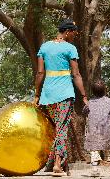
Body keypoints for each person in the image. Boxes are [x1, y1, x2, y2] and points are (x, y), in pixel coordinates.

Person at [34, 18, 88, 177]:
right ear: (67, 32)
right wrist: (84, 95)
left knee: (58, 129)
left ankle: (56, 164)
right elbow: (76, 74)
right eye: (74, 33)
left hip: (48, 95)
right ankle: (57, 163)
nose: (74, 36)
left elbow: (40, 73)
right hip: (64, 94)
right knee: (62, 129)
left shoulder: (44, 47)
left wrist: (37, 94)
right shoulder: (70, 48)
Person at [83, 80, 110, 177]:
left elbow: (84, 112)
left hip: (93, 132)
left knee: (94, 150)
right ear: (105, 90)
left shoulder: (90, 103)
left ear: (93, 92)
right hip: (106, 132)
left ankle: (95, 170)